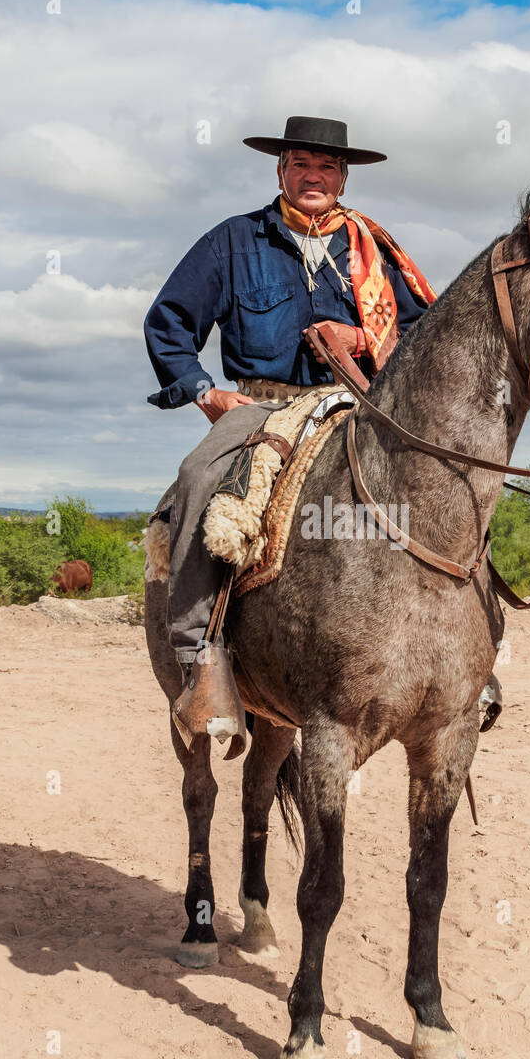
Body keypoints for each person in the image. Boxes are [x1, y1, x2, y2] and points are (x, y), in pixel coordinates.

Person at [144, 115, 434, 743]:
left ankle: (469, 650)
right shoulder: (233, 241)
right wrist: (203, 390)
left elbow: (424, 338)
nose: (314, 176)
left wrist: (361, 337)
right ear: (281, 172)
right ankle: (200, 660)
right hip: (261, 407)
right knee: (198, 478)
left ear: (343, 177)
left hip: (357, 405)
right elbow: (168, 322)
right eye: (301, 164)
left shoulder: (373, 252)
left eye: (327, 167)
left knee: (445, 478)